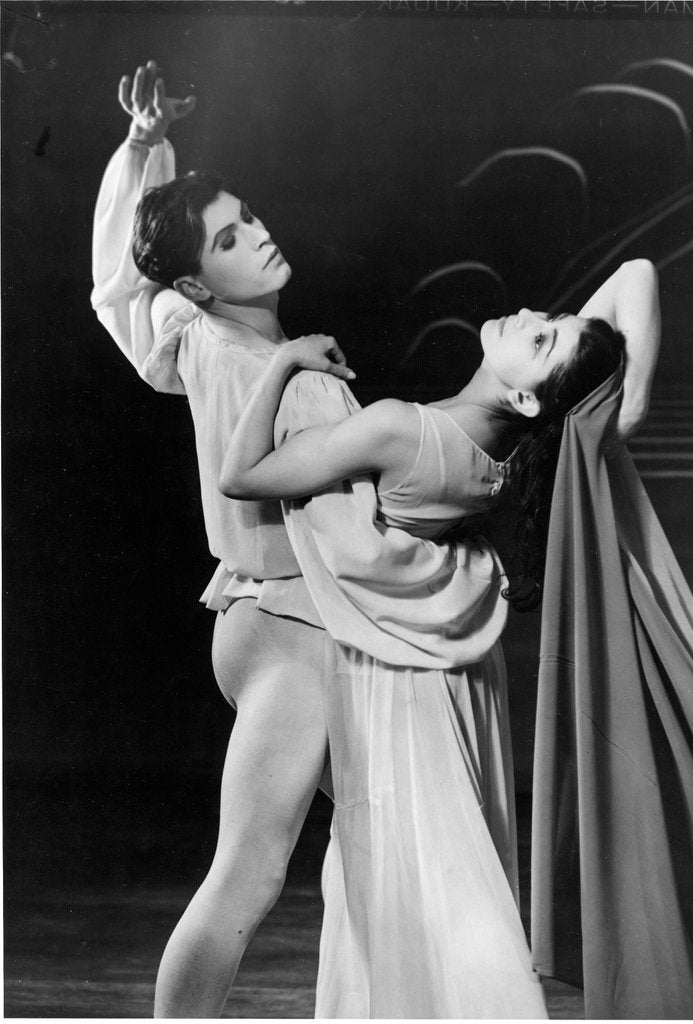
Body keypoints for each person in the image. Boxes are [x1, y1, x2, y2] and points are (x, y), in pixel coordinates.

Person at [93, 60, 563, 1018]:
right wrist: (469, 556)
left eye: (250, 217)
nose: (257, 238)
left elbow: (120, 291)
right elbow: (362, 538)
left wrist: (145, 150)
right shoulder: (277, 372)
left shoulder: (191, 337)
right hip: (293, 634)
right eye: (228, 239)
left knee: (396, 843)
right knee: (252, 875)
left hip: (268, 623)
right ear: (197, 277)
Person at [220, 262, 658, 1016]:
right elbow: (629, 287)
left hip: (396, 680)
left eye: (541, 334)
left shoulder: (399, 428)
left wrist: (287, 360)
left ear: (527, 394)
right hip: (461, 677)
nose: (526, 311)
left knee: (408, 876)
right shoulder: (525, 454)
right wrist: (626, 403)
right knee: (453, 870)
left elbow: (242, 475)